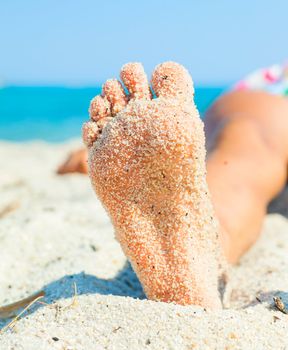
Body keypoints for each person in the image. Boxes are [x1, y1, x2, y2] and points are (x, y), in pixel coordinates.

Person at [58, 62, 288, 309]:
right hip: (272, 106)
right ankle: (202, 248)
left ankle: (202, 240)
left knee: (246, 159)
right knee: (248, 150)